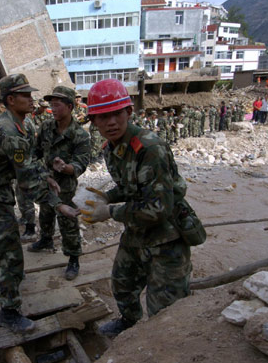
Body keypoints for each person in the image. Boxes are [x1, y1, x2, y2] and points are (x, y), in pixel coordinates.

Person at [80, 78, 192, 338]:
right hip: (137, 233)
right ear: (93, 122)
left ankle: (161, 347)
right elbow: (132, 187)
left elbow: (159, 208)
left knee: (166, 311)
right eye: (102, 116)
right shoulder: (112, 148)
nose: (110, 122)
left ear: (129, 112)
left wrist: (109, 212)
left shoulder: (150, 148)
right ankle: (129, 325)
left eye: (116, 114)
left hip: (167, 236)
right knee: (122, 284)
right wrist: (108, 197)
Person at [0, 73, 79, 333]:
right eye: (25, 95)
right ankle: (9, 312)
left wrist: (47, 176)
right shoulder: (9, 130)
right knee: (8, 254)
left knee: (10, 251)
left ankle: (12, 282)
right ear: (10, 99)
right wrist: (57, 204)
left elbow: (30, 161)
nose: (32, 100)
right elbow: (27, 179)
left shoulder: (22, 124)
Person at [28, 86, 91, 280]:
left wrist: (65, 167)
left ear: (70, 107)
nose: (53, 109)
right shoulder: (46, 127)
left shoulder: (80, 135)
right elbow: (36, 152)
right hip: (45, 179)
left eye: (57, 105)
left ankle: (73, 258)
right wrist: (43, 170)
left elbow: (80, 164)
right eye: (51, 105)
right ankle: (46, 239)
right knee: (45, 211)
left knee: (67, 219)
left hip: (65, 185)